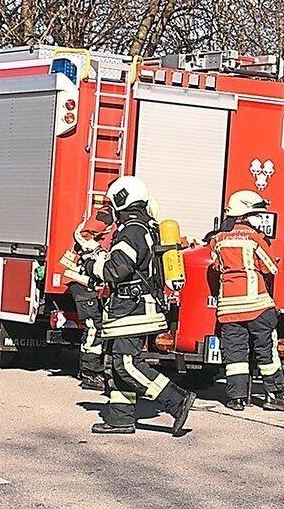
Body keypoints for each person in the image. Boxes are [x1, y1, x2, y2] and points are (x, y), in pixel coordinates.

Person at [86, 176, 195, 435]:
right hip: (131, 306)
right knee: (116, 363)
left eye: (112, 205)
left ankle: (176, 400)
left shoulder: (131, 230)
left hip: (131, 308)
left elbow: (117, 269)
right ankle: (119, 418)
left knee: (127, 363)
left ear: (122, 201)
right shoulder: (145, 227)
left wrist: (92, 264)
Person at [208, 190, 284, 412]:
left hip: (228, 309)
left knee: (235, 355)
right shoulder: (256, 239)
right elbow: (271, 268)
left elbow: (215, 267)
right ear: (247, 214)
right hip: (257, 306)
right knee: (266, 352)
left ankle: (236, 399)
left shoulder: (218, 240)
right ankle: (273, 396)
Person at [60, 206, 115, 391]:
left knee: (99, 326)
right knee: (94, 326)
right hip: (81, 279)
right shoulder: (106, 214)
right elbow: (83, 235)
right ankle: (90, 373)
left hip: (91, 280)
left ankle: (95, 370)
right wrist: (99, 253)